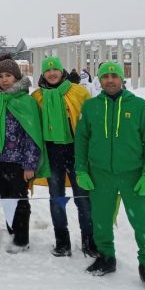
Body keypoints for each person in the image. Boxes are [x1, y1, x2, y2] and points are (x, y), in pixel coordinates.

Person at [75, 61, 145, 290]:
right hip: (100, 175)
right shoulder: (91, 106)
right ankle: (106, 257)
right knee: (101, 220)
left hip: (134, 175)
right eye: (105, 76)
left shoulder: (140, 107)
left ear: (122, 79)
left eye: (114, 76)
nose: (110, 80)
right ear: (100, 80)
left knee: (143, 222)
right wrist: (81, 170)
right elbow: (81, 141)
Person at [32, 56, 94, 257]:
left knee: (83, 198)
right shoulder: (37, 97)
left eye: (55, 70)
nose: (51, 73)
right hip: (52, 154)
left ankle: (89, 240)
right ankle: (62, 241)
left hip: (76, 152)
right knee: (56, 198)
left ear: (62, 71)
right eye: (47, 71)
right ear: (43, 74)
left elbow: (90, 124)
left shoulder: (78, 92)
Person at [0, 55, 47, 253]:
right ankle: (12, 229)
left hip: (18, 161)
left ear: (16, 77)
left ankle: (22, 239)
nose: (4, 80)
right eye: (1, 76)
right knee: (5, 196)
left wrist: (30, 165)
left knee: (20, 199)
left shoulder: (25, 102)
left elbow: (32, 135)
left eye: (8, 75)